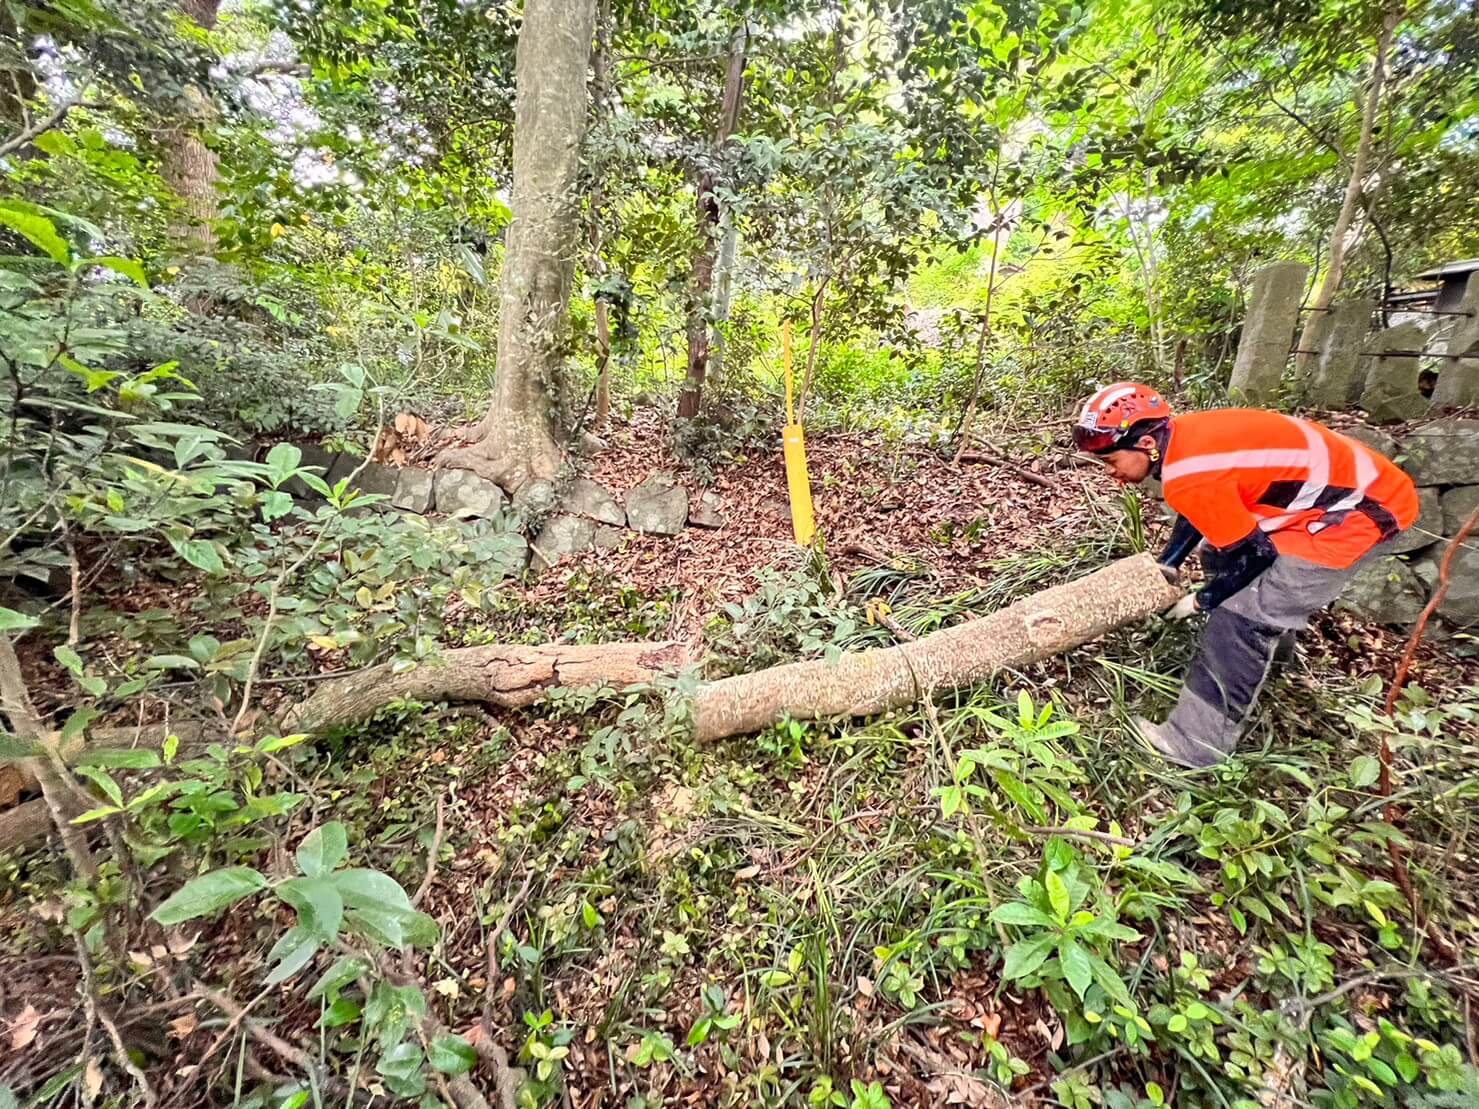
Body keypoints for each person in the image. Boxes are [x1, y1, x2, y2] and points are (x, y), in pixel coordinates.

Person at [1072, 383, 1419, 768]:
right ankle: (1267, 665)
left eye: (1111, 461)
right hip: (1330, 501)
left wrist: (1202, 600)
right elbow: (1199, 508)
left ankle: (1194, 744)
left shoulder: (1191, 472)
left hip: (1358, 513)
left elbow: (1256, 554)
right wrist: (1169, 562)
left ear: (1148, 443)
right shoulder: (1184, 439)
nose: (1112, 474)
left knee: (1241, 616)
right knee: (1219, 552)